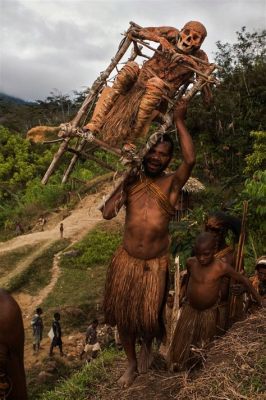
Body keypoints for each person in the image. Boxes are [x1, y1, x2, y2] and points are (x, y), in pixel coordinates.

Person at [101, 100, 195, 387]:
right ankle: (131, 363)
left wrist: (179, 120)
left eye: (163, 154)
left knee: (150, 319)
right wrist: (126, 180)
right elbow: (107, 213)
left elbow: (190, 160)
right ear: (145, 152)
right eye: (152, 151)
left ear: (169, 159)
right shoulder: (132, 180)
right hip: (126, 261)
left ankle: (147, 347)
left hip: (154, 265)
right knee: (125, 318)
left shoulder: (172, 185)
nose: (156, 157)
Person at [84, 21, 212, 145]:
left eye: (195, 38)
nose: (188, 40)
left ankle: (131, 139)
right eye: (186, 33)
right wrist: (160, 39)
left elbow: (207, 97)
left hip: (161, 94)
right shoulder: (172, 34)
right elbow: (137, 32)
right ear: (181, 31)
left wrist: (191, 62)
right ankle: (96, 122)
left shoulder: (201, 57)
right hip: (140, 80)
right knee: (131, 67)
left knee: (156, 85)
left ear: (200, 43)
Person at [168, 232, 262, 370]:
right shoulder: (191, 262)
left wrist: (260, 300)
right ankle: (180, 364)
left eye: (206, 254)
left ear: (214, 250)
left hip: (208, 313)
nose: (202, 258)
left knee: (204, 344)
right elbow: (188, 278)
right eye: (198, 254)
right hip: (190, 310)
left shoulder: (221, 267)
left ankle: (199, 367)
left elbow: (245, 281)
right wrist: (183, 294)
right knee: (185, 340)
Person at [204, 211, 243, 329]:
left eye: (216, 230)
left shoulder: (233, 255)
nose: (211, 233)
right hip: (198, 311)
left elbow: (242, 279)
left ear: (224, 231)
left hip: (220, 312)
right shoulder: (200, 252)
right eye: (208, 229)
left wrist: (242, 288)